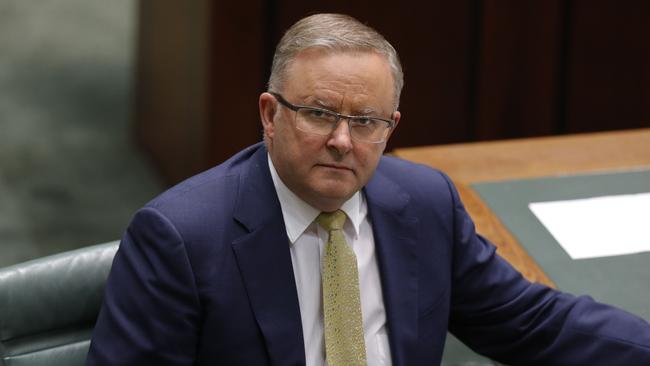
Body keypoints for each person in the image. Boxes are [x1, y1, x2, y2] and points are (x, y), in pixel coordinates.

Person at [86, 13, 650, 366]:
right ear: (269, 114)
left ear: (391, 128)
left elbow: (534, 324)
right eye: (318, 113)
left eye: (366, 122)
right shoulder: (181, 238)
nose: (341, 140)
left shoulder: (425, 203)